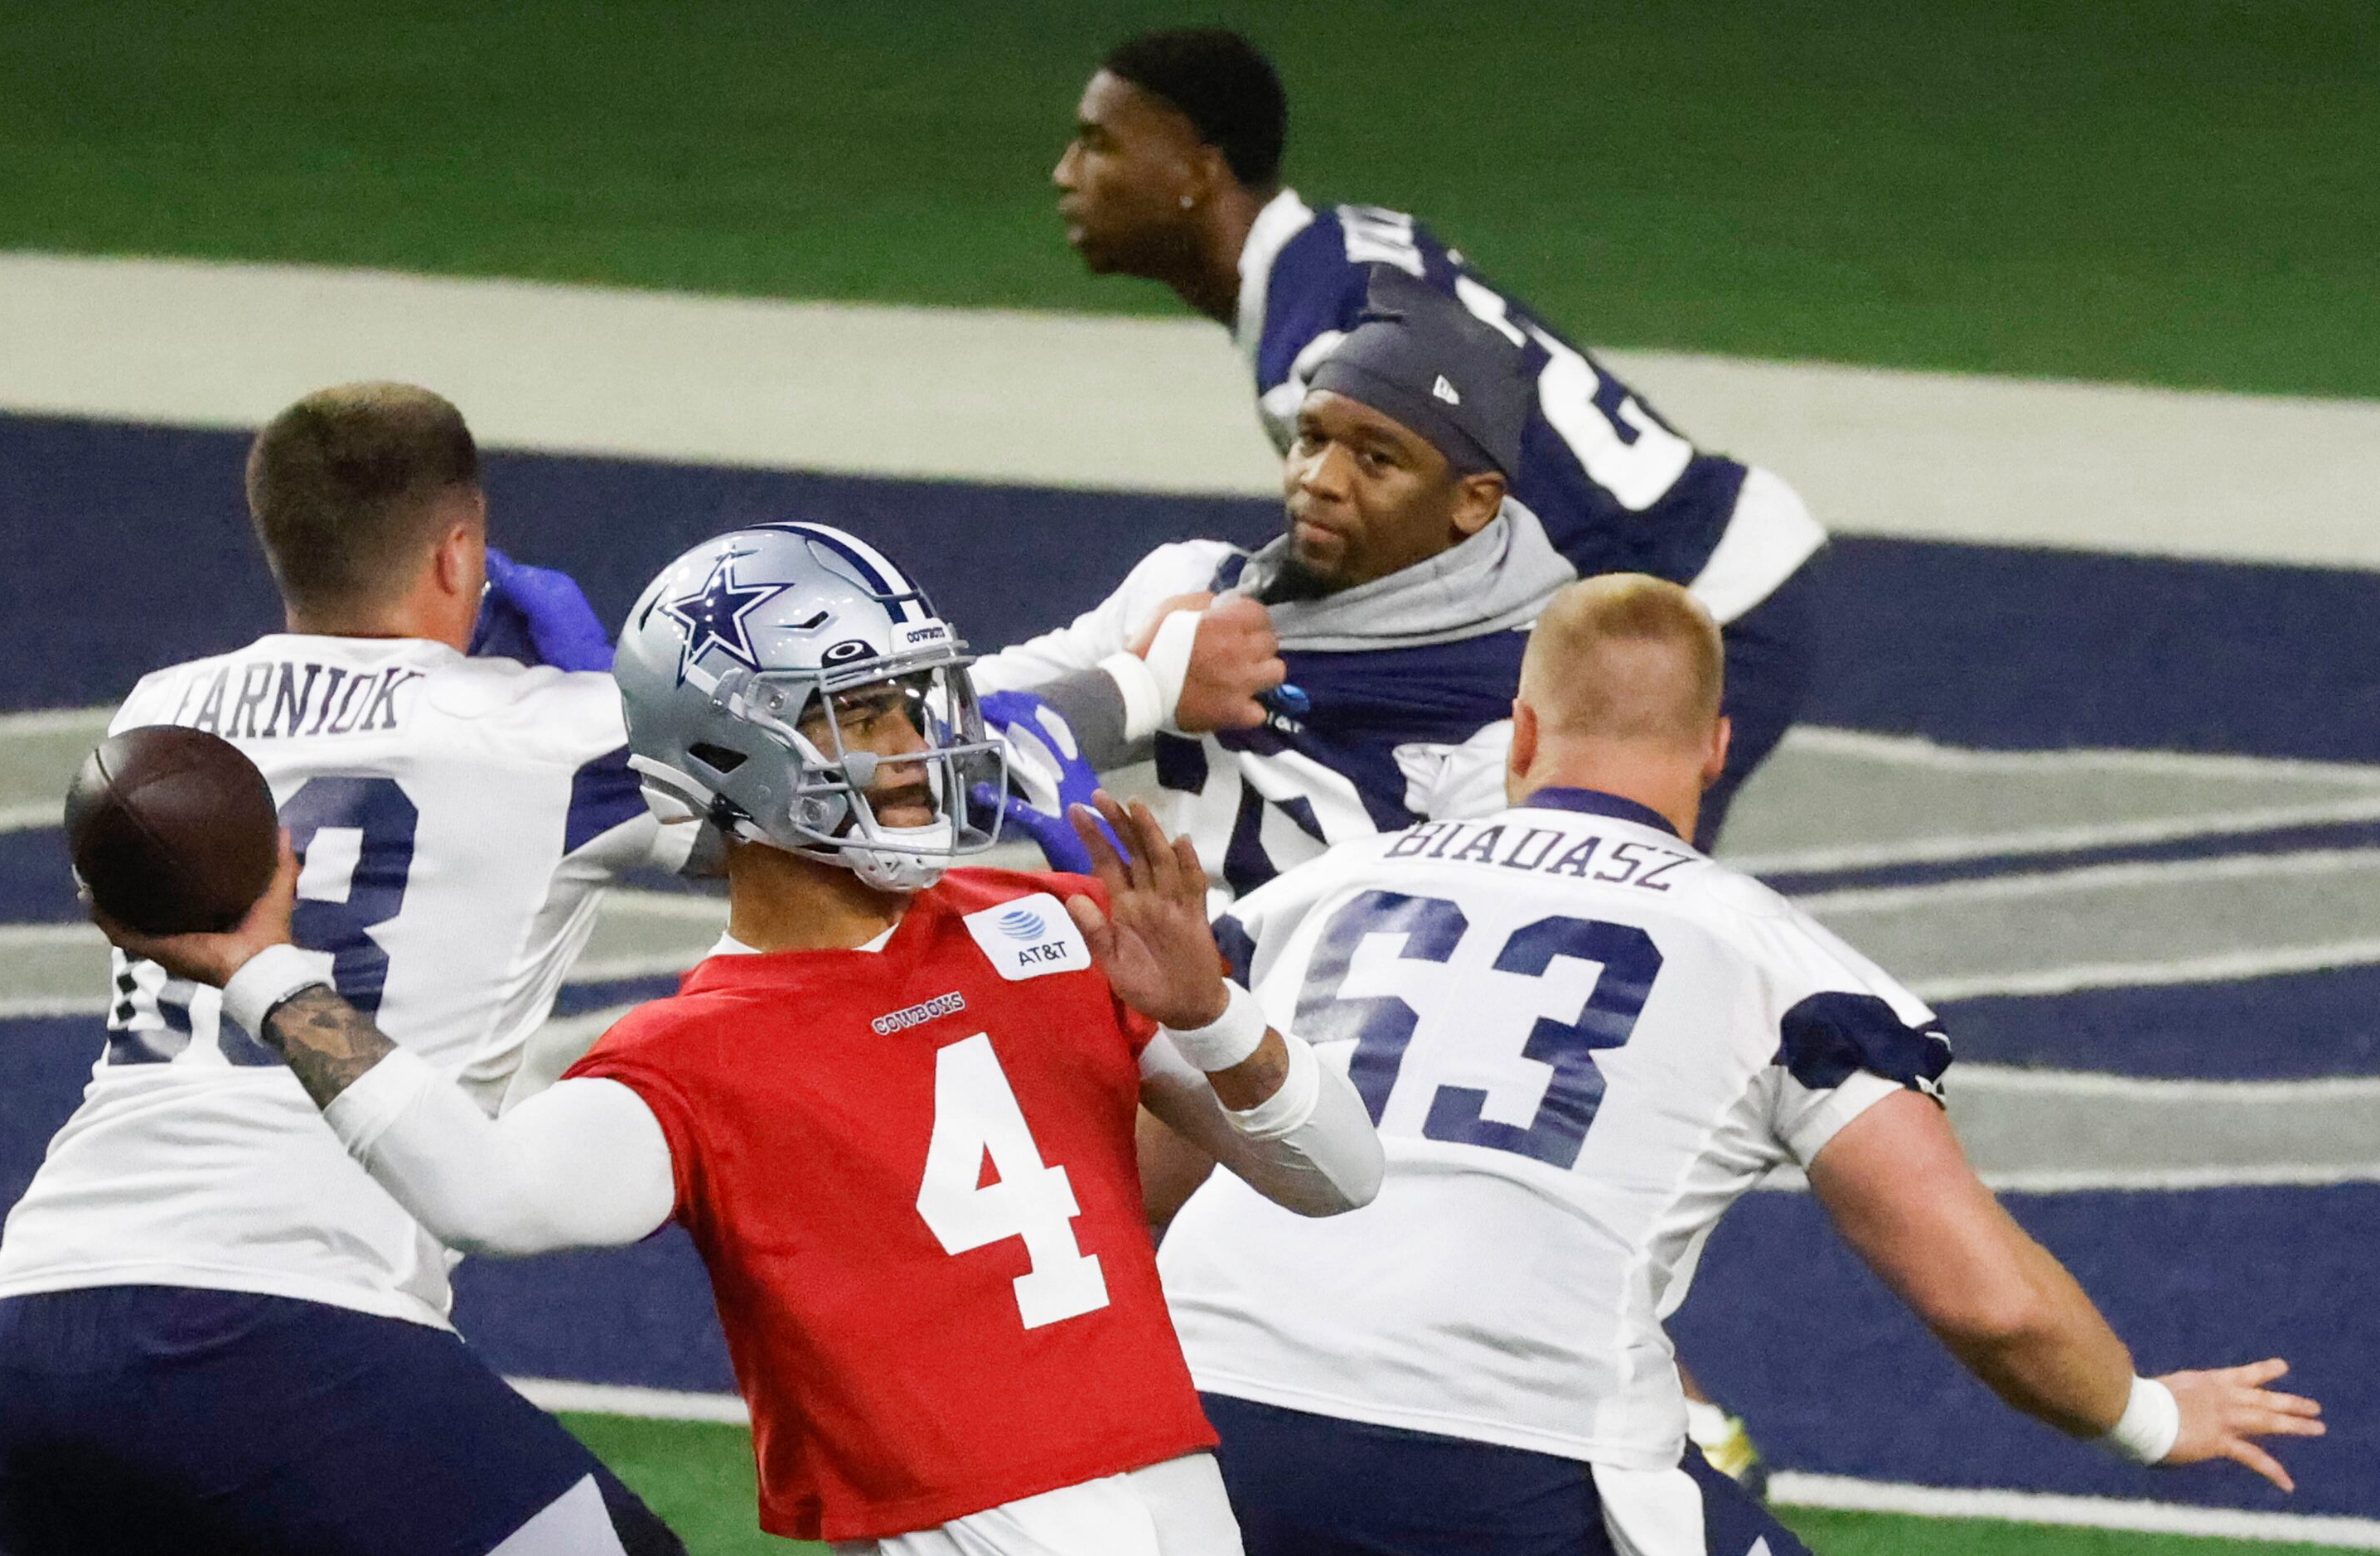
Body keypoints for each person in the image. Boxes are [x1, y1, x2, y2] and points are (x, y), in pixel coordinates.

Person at [98, 523, 1389, 1554]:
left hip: (1180, 1500)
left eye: (915, 703)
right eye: (861, 714)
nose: (915, 748)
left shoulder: (1055, 924)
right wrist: (265, 970)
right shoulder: (697, 1055)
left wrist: (1210, 1012)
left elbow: (1339, 1174)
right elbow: (486, 1193)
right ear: (727, 751)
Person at [1146, 575, 2325, 1555]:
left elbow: (1134, 1182)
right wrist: (2149, 1415)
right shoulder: (1778, 963)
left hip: (1191, 1425)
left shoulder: (1303, 902)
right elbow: (1988, 1301)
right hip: (1507, 1456)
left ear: (1517, 732)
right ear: (1714, 749)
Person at [0, 384, 689, 1556]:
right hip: (286, 1317)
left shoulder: (162, 714)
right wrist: (615, 689)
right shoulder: (558, 736)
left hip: (37, 1321)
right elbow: (838, 807)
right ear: (462, 550)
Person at [1040, 27, 1827, 853]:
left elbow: (1453, 547)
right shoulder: (1341, 249)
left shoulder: (1318, 346)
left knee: (1610, 885)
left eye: (1099, 145)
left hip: (1705, 595)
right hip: (1711, 552)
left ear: (1198, 172)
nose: (1068, 173)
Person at [976, 268, 1572, 911]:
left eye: (1377, 459)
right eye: (1312, 438)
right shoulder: (1191, 589)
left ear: (1473, 503)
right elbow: (910, 742)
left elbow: (1454, 952)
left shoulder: (1519, 702)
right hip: (1112, 988)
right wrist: (1136, 689)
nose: (1319, 478)